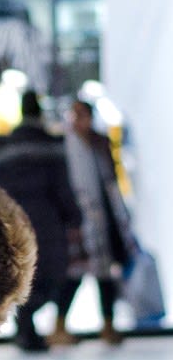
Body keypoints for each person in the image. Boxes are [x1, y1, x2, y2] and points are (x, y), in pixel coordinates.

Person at [0, 89, 82, 352]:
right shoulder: (51, 145)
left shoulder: (5, 147)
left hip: (13, 222)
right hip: (47, 222)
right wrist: (74, 217)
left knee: (23, 274)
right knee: (52, 274)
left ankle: (26, 328)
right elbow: (63, 186)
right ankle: (27, 323)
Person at [52, 98, 136, 346]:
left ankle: (108, 325)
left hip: (103, 219)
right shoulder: (65, 144)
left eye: (83, 115)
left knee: (105, 274)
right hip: (78, 219)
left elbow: (110, 183)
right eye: (74, 115)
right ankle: (58, 324)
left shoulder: (100, 143)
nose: (78, 121)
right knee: (75, 274)